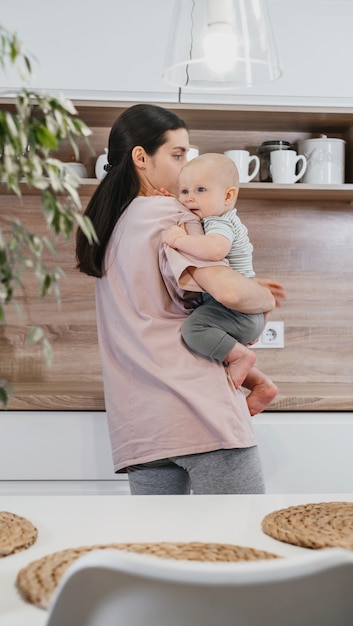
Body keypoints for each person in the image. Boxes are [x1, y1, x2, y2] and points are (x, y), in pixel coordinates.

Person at [76, 104, 285, 496]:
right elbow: (228, 291)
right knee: (238, 546)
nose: (186, 167)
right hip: (199, 410)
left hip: (140, 422)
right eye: (178, 155)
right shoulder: (170, 213)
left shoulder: (108, 225)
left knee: (161, 550)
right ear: (141, 157)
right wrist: (263, 297)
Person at [162, 153, 278, 416]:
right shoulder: (218, 216)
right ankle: (260, 384)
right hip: (248, 313)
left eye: (200, 190)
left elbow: (214, 250)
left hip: (234, 310)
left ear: (228, 196)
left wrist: (178, 239)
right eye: (184, 190)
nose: (189, 197)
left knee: (194, 330)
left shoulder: (219, 222)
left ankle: (242, 358)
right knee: (211, 353)